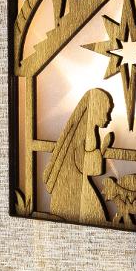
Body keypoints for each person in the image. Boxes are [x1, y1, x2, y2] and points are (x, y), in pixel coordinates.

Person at [44, 88, 113, 225]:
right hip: (72, 189)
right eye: (106, 112)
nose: (109, 118)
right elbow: (88, 167)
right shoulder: (88, 132)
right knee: (94, 217)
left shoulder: (86, 129)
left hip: (71, 186)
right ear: (96, 110)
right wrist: (104, 148)